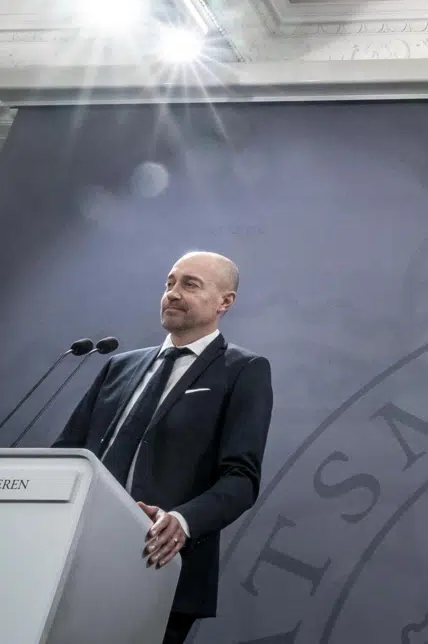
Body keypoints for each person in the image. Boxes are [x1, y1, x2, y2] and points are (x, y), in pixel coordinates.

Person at [54, 252, 273, 644]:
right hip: (74, 560)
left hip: (159, 565)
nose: (172, 293)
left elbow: (241, 478)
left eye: (190, 284)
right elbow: (65, 457)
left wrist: (183, 521)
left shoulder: (244, 370)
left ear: (224, 302)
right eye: (170, 282)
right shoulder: (118, 367)